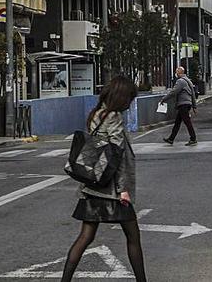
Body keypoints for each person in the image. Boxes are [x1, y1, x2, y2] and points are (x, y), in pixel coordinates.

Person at [61, 76, 146, 282]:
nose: (130, 102)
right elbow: (116, 155)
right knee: (133, 238)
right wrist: (123, 188)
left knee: (85, 237)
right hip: (112, 191)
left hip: (92, 187)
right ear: (121, 98)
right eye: (129, 98)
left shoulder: (96, 114)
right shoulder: (113, 117)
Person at [161, 66, 197, 146]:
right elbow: (193, 94)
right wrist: (194, 106)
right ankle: (171, 139)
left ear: (180, 73)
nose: (176, 74)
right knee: (177, 122)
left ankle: (193, 138)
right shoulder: (188, 81)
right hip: (187, 103)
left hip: (183, 104)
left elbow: (173, 92)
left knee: (187, 122)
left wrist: (164, 99)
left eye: (176, 72)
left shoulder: (180, 81)